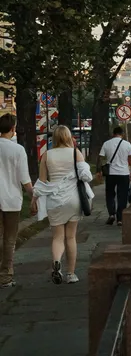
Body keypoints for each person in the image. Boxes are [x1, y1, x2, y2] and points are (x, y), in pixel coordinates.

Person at [31, 125, 91, 284]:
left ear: (55, 138)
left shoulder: (46, 155)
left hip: (54, 200)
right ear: (68, 137)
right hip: (73, 198)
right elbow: (86, 175)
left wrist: (33, 199)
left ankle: (56, 262)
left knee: (57, 237)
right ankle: (71, 274)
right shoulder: (75, 153)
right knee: (71, 237)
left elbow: (42, 181)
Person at [0, 113, 32, 288]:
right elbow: (24, 178)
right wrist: (33, 197)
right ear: (12, 129)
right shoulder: (17, 149)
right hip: (12, 200)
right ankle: (5, 275)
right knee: (10, 239)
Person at [99, 126, 131, 226]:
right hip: (123, 173)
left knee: (110, 194)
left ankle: (111, 214)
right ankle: (120, 219)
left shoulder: (106, 144)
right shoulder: (127, 144)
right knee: (122, 196)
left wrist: (99, 170)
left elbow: (101, 158)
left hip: (110, 174)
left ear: (113, 134)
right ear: (122, 134)